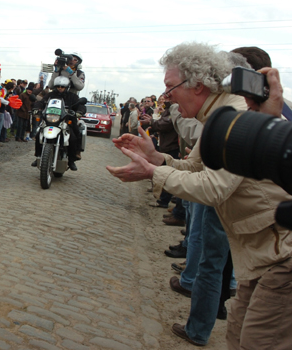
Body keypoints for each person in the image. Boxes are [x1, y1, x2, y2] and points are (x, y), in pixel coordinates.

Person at [106, 42, 292, 348]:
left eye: (170, 87)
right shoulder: (218, 112)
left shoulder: (234, 112)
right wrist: (157, 158)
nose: (165, 96)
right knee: (237, 337)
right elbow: (195, 167)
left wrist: (154, 173)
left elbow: (214, 187)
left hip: (280, 253)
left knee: (257, 341)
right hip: (262, 253)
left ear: (197, 85)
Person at [31, 77, 84, 171]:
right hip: (51, 120)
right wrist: (36, 108)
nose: (60, 88)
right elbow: (41, 102)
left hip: (66, 120)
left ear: (67, 87)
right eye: (58, 86)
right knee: (39, 134)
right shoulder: (50, 95)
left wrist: (79, 111)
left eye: (62, 87)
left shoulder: (72, 96)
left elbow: (80, 105)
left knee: (74, 136)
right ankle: (38, 156)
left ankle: (72, 160)